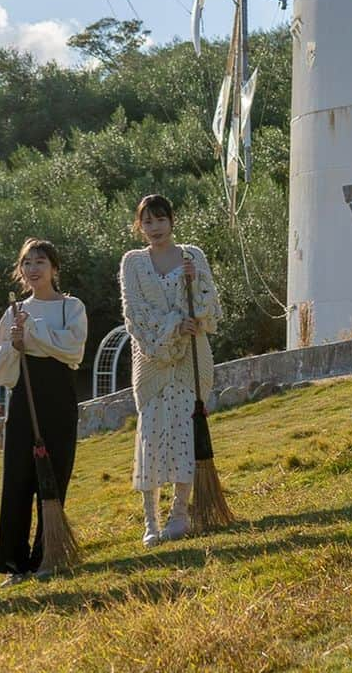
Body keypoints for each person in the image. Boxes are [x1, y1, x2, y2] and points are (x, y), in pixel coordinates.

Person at [119, 193, 221, 547]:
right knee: (150, 436)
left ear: (172, 221)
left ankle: (179, 512)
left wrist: (195, 287)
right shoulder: (132, 262)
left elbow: (210, 306)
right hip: (150, 361)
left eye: (160, 220)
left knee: (183, 433)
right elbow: (135, 313)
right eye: (147, 221)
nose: (154, 228)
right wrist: (174, 327)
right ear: (139, 225)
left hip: (190, 360)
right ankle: (150, 519)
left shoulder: (194, 256)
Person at [0, 238, 87, 583]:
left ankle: (48, 555)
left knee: (55, 474)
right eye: (27, 263)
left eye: (40, 262)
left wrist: (34, 331)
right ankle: (14, 564)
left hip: (58, 396)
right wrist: (15, 346)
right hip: (23, 397)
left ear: (54, 268)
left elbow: (72, 350)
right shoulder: (12, 313)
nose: (33, 269)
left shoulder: (71, 307)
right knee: (17, 477)